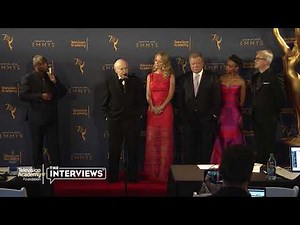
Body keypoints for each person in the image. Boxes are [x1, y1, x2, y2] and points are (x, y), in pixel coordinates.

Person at [100, 59, 143, 183]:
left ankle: (132, 177)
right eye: (121, 69)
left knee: (132, 149)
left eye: (126, 68)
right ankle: (113, 177)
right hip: (115, 122)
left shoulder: (135, 81)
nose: (124, 71)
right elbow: (104, 102)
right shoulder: (109, 81)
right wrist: (107, 116)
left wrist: (138, 115)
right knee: (114, 150)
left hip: (131, 121)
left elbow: (140, 102)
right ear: (115, 70)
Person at [19, 55, 67, 168]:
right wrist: (40, 96)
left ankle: (56, 173)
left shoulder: (51, 77)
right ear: (37, 65)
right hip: (36, 119)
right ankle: (38, 173)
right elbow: (23, 95)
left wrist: (55, 82)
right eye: (44, 63)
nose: (47, 65)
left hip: (51, 118)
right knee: (37, 147)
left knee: (54, 146)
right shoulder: (28, 78)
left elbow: (63, 92)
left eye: (46, 62)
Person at [177, 52, 221, 164]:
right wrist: (183, 117)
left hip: (207, 120)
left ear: (202, 63)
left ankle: (204, 176)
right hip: (188, 120)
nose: (195, 66)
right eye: (192, 64)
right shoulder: (183, 78)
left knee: (205, 149)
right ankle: (189, 176)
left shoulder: (212, 77)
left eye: (197, 63)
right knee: (189, 149)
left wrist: (213, 115)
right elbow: (180, 100)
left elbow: (217, 98)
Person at [144, 51, 175, 182]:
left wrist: (162, 106)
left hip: (166, 110)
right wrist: (152, 105)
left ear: (165, 62)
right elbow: (148, 94)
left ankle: (163, 174)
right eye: (155, 60)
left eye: (160, 61)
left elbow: (171, 93)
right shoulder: (150, 76)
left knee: (165, 144)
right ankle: (152, 174)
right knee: (152, 143)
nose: (157, 63)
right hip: (152, 111)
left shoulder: (170, 76)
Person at [251, 50, 286, 163]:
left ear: (266, 61)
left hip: (270, 120)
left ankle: (269, 172)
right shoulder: (255, 77)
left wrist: (272, 113)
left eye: (258, 58)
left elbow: (281, 98)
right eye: (255, 58)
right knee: (259, 146)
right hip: (256, 119)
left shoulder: (275, 77)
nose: (255, 60)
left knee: (269, 148)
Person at [210, 55, 246, 164]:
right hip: (223, 114)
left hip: (235, 115)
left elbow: (242, 102)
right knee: (222, 137)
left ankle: (235, 164)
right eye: (227, 65)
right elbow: (216, 98)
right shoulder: (221, 79)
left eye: (230, 66)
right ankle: (220, 163)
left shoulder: (241, 82)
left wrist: (238, 115)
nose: (227, 67)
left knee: (235, 138)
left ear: (236, 68)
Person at [273, 28, 300, 144]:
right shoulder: (288, 51)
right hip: (288, 82)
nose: (294, 41)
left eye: (297, 40)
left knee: (299, 109)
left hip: (295, 80)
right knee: (295, 109)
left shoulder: (299, 52)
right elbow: (277, 35)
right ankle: (299, 133)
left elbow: (298, 33)